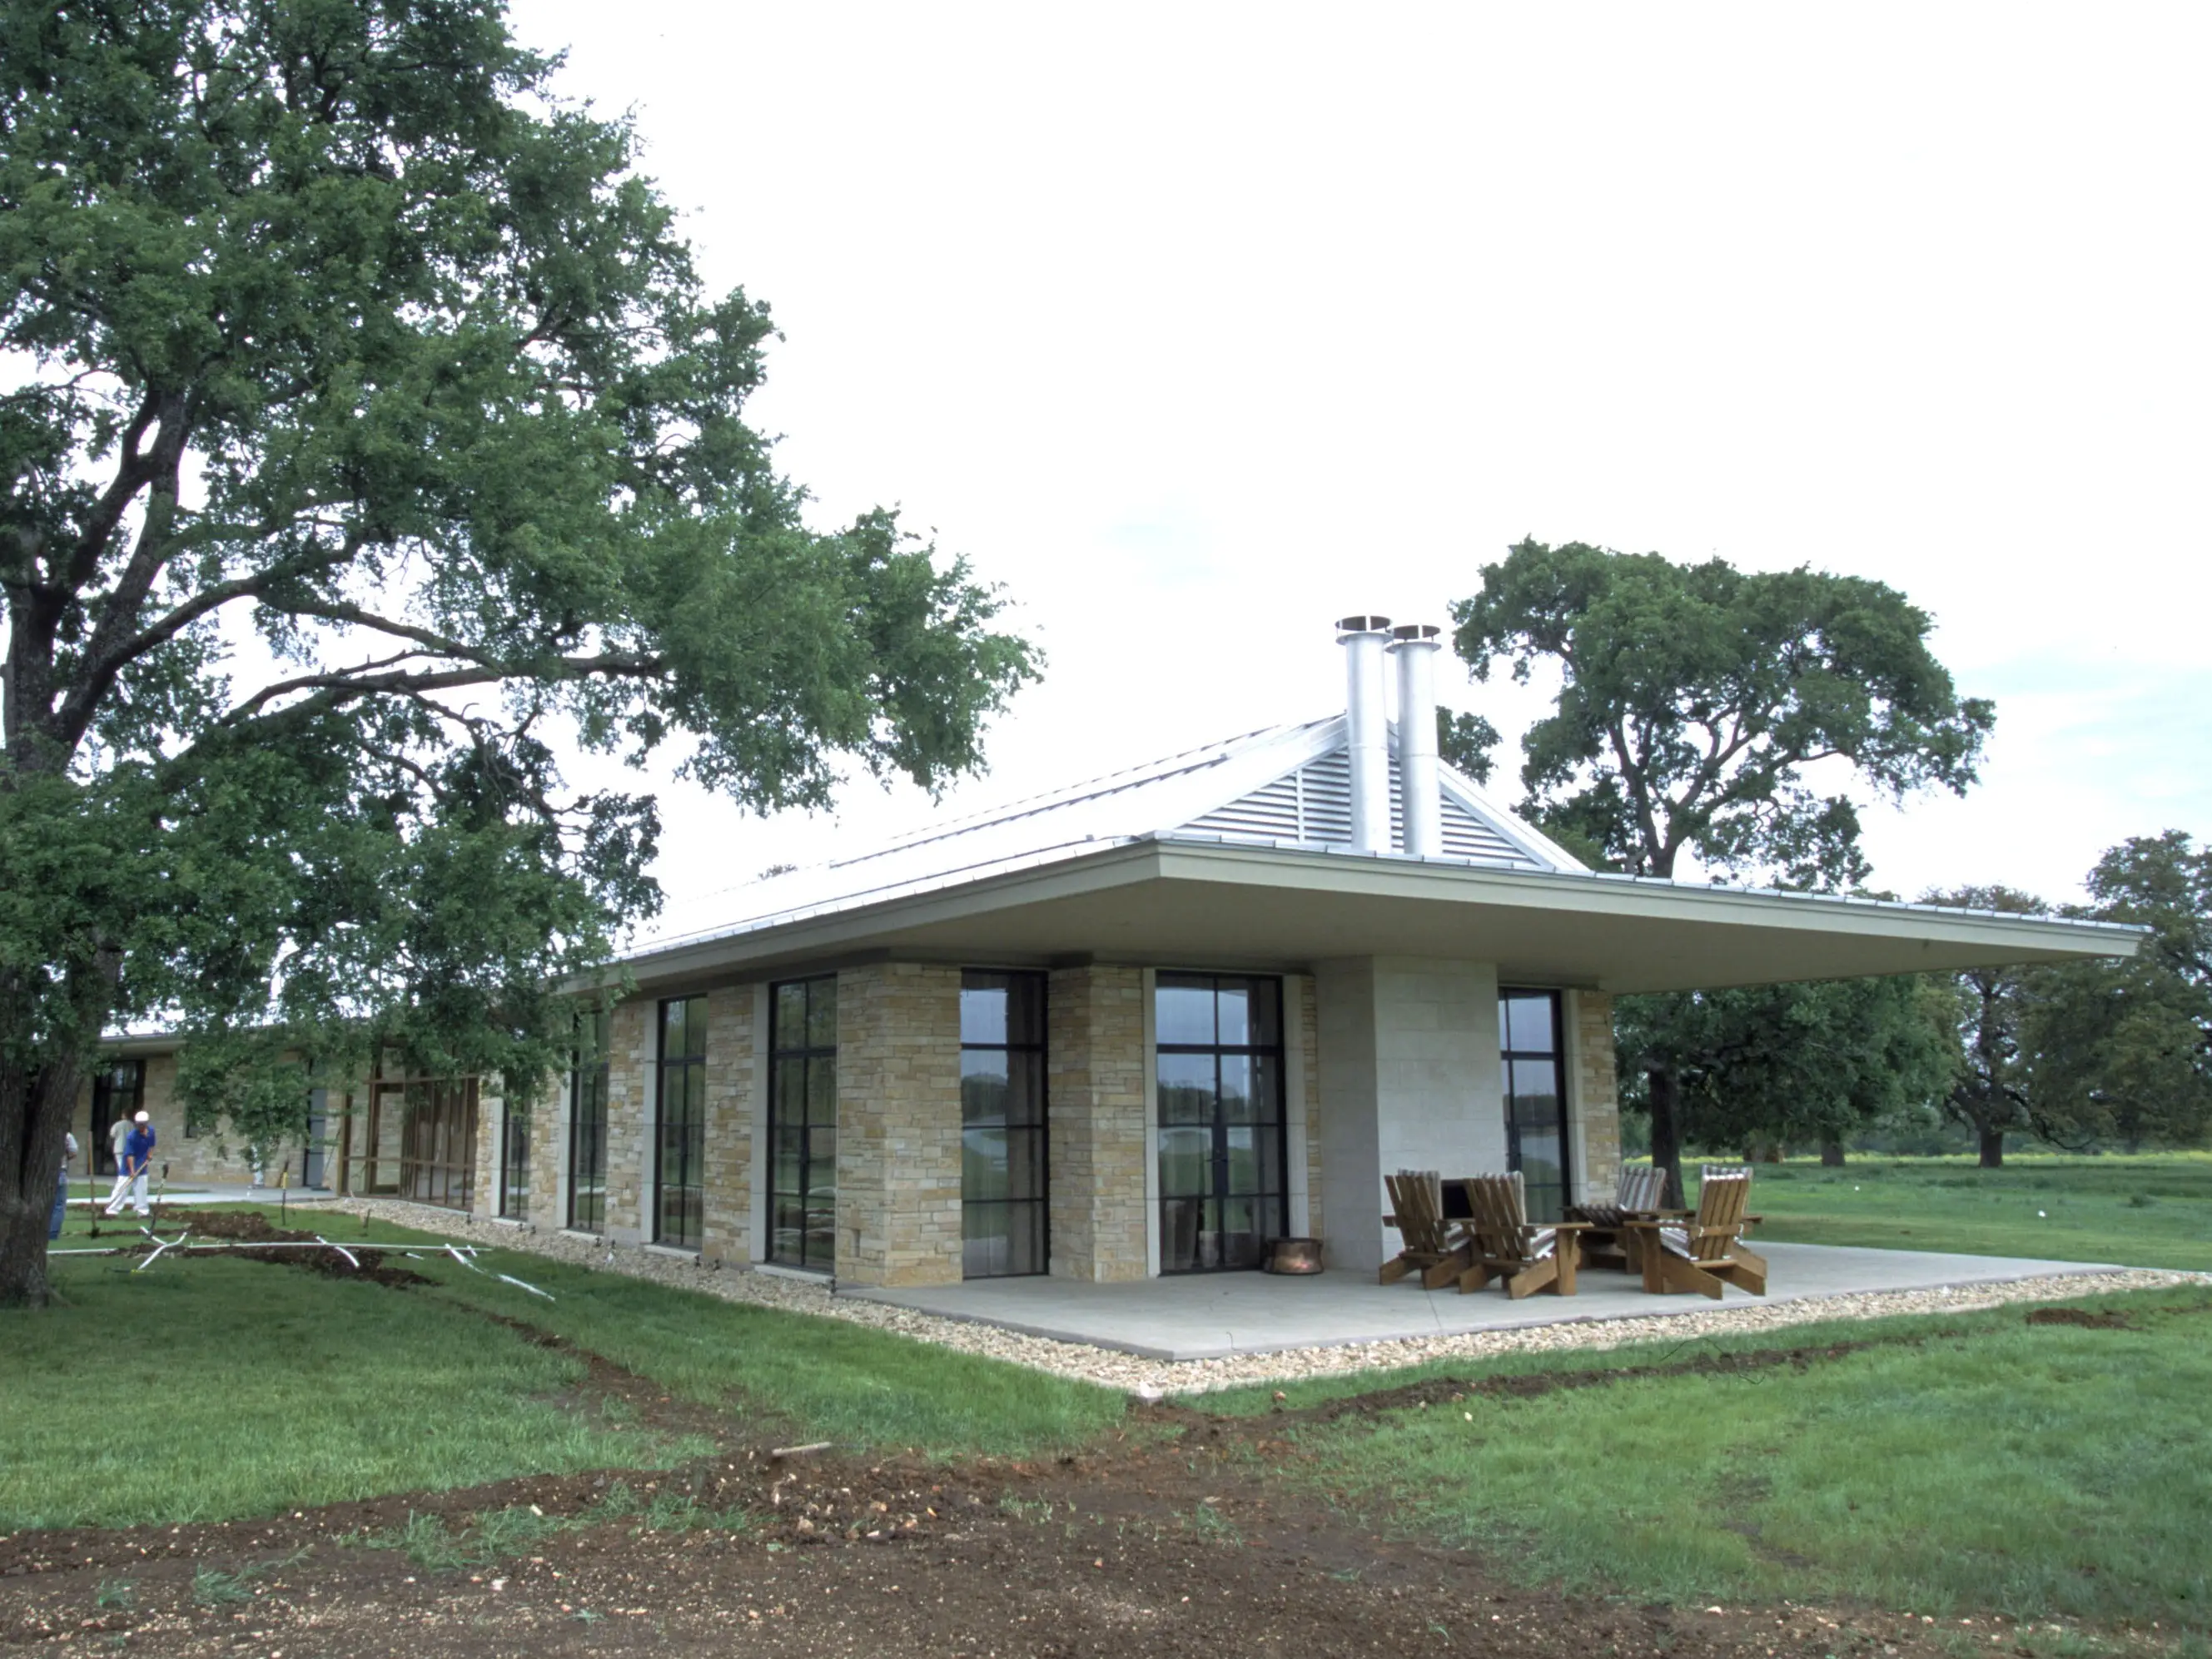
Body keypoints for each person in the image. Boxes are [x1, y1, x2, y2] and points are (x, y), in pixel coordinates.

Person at [104, 1110, 156, 1218]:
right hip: (128, 1167)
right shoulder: (132, 1136)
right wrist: (132, 1171)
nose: (140, 1126)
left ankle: (143, 1212)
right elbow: (130, 1155)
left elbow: (151, 1145)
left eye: (142, 1124)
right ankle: (111, 1210)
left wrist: (150, 1155)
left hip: (142, 1165)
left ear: (147, 1123)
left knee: (141, 1189)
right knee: (122, 1188)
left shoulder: (151, 1131)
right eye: (138, 1124)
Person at [49, 1130, 79, 1241]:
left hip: (40, 1173)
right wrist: (65, 1158)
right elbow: (74, 1152)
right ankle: (52, 1234)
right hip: (60, 1170)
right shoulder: (67, 1135)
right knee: (58, 1205)